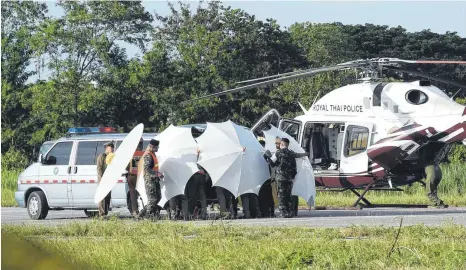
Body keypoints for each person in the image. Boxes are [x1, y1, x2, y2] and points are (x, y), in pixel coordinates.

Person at [264, 137, 308, 218]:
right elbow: (296, 160)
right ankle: (289, 212)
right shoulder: (291, 153)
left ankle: (283, 213)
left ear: (282, 144)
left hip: (280, 178)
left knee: (281, 196)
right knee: (288, 195)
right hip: (289, 179)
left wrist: (266, 156)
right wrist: (305, 153)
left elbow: (272, 163)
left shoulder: (278, 153)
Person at [137, 139, 163, 220]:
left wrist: (158, 175)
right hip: (149, 180)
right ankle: (148, 216)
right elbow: (147, 168)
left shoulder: (153, 154)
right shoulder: (148, 155)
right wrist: (156, 174)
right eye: (157, 147)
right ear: (152, 146)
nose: (158, 148)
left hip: (155, 179)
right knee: (152, 199)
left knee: (158, 197)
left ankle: (141, 215)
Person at [96, 142, 114, 218]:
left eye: (113, 147)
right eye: (111, 147)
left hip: (109, 180)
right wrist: (101, 180)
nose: (112, 149)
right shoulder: (102, 156)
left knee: (108, 197)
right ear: (106, 148)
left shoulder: (112, 156)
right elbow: (99, 168)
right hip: (103, 179)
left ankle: (106, 213)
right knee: (102, 197)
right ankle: (102, 213)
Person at [258, 139, 275, 217]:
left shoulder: (259, 153)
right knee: (269, 195)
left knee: (262, 196)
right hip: (268, 177)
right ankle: (271, 211)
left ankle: (265, 212)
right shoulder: (268, 153)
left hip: (261, 178)